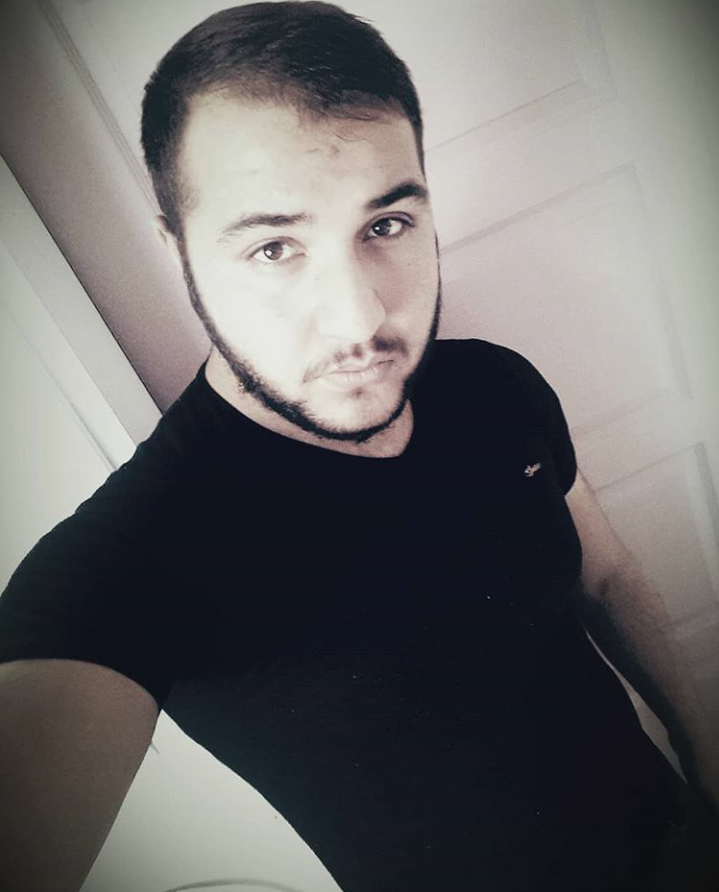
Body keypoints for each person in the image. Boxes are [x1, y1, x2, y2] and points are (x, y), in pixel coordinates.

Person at [0, 3, 717, 891]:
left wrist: (703, 749)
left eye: (385, 225)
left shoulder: (493, 385)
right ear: (176, 249)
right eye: (274, 247)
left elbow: (603, 575)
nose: (359, 319)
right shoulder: (130, 561)